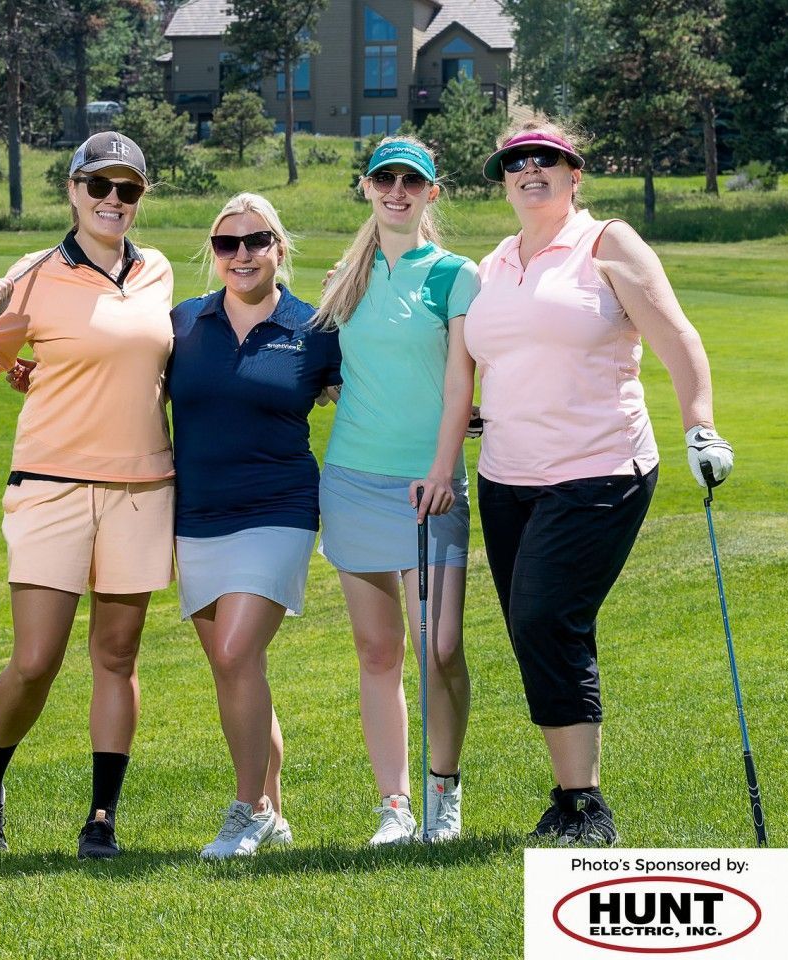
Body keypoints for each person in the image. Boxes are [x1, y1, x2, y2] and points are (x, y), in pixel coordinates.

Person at [464, 122, 735, 846]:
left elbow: (677, 336)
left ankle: (586, 806)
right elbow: (500, 358)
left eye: (545, 160)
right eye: (514, 163)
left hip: (599, 468)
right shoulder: (492, 263)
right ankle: (567, 799)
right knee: (532, 630)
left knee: (546, 618)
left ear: (573, 173)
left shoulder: (606, 242)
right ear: (502, 179)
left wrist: (699, 425)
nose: (529, 171)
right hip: (505, 476)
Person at [0, 131, 174, 860]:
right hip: (50, 486)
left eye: (128, 190)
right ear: (73, 192)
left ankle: (101, 819)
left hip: (142, 488)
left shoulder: (158, 273)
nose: (113, 201)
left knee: (117, 656)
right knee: (36, 659)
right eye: (99, 187)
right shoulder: (32, 273)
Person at [315, 136, 479, 845]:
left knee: (438, 645)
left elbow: (460, 383)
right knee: (377, 652)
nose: (397, 191)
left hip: (428, 485)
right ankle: (395, 805)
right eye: (385, 179)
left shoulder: (453, 275)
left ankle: (444, 790)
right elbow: (328, 363)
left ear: (431, 193)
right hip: (351, 478)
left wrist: (443, 470)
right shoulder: (343, 279)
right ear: (366, 186)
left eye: (411, 181)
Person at [168, 193, 341, 858]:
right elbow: (124, 385)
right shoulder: (184, 324)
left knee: (238, 656)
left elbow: (372, 387)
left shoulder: (315, 325)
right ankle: (274, 809)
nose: (241, 255)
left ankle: (247, 810)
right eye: (226, 244)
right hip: (197, 516)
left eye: (255, 241)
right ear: (213, 255)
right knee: (236, 671)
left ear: (278, 248)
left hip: (278, 509)